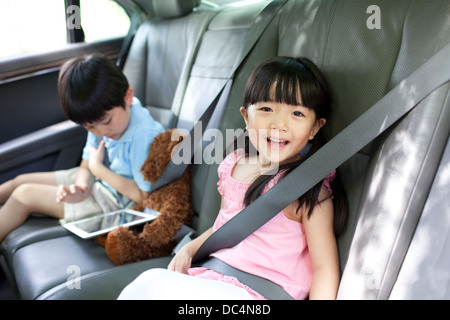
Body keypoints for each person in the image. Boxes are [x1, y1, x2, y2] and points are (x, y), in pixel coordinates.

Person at [118, 56, 347, 300]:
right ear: (246, 118)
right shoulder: (234, 166)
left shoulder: (309, 191)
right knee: (147, 285)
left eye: (297, 113)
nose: (279, 124)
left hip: (261, 295)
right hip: (213, 278)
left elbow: (325, 269)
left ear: (315, 127)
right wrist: (189, 248)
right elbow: (222, 227)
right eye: (266, 109)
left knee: (152, 283)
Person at [0, 55, 164, 242]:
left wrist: (97, 169)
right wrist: (81, 187)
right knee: (19, 181)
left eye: (106, 122)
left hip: (114, 203)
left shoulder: (144, 135)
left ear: (127, 97)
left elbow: (142, 196)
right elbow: (86, 165)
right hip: (96, 182)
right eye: (89, 127)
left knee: (25, 195)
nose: (100, 132)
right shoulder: (100, 118)